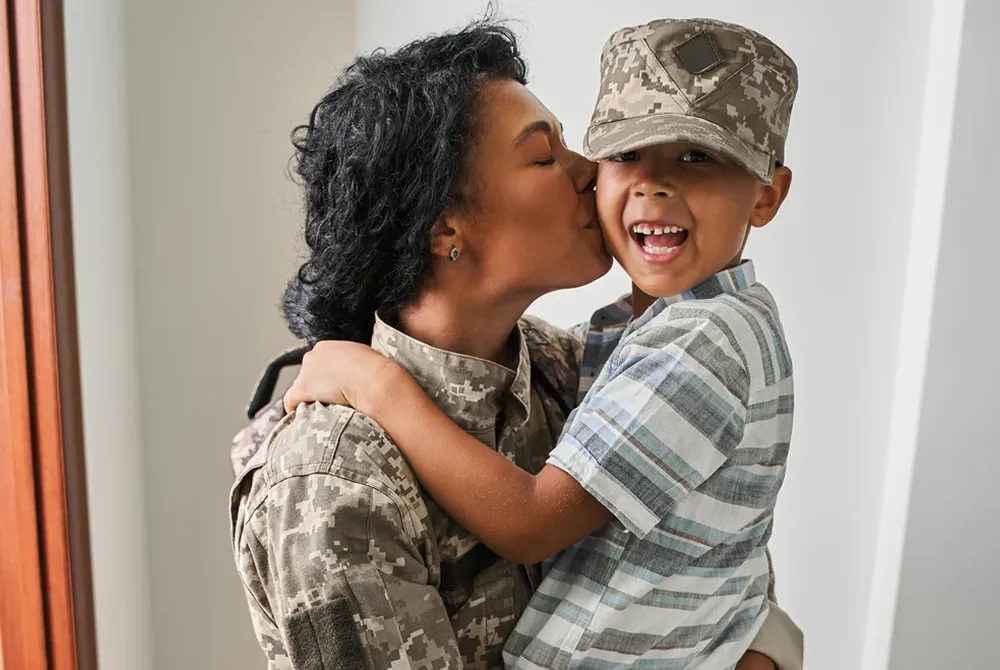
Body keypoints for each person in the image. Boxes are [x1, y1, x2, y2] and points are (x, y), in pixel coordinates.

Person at [231, 18, 801, 670]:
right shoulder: (338, 478)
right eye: (544, 155)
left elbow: (716, 548)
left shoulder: (568, 368)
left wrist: (767, 652)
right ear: (445, 224)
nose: (595, 173)